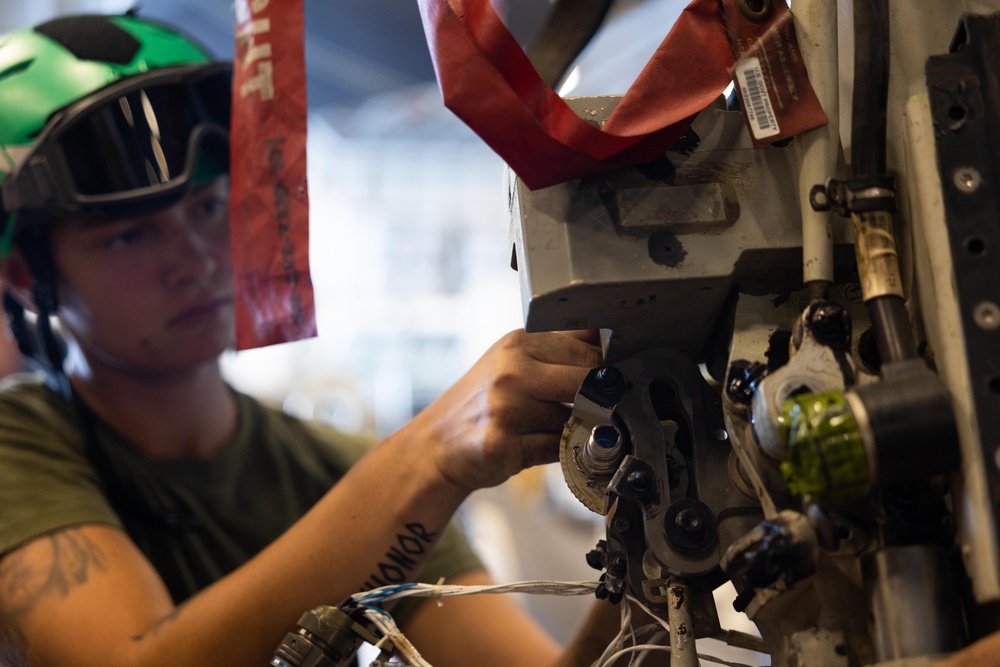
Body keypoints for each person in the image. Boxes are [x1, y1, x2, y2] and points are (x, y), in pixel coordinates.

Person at [0, 13, 619, 666]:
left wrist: (645, 559)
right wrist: (432, 452)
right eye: (129, 236)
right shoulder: (18, 448)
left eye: (207, 209)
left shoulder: (335, 467)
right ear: (24, 274)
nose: (195, 260)